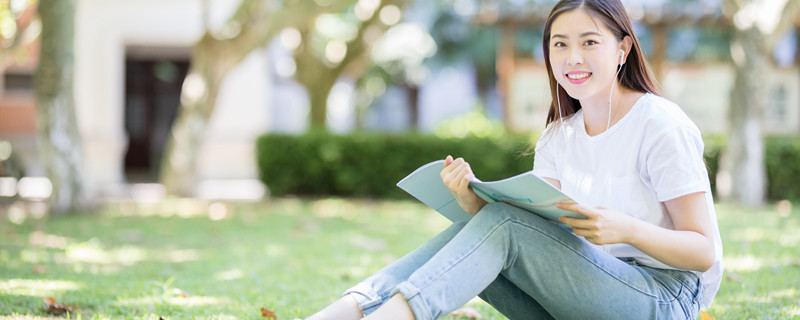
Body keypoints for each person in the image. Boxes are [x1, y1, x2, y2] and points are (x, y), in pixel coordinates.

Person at [305, 0, 723, 319]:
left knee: (502, 224)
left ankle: (393, 313)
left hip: (664, 296)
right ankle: (353, 307)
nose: (572, 58)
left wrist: (627, 229)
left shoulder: (660, 124)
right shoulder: (559, 136)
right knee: (485, 223)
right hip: (586, 288)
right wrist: (473, 204)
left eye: (589, 42)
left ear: (623, 50)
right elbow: (540, 232)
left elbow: (703, 251)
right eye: (560, 45)